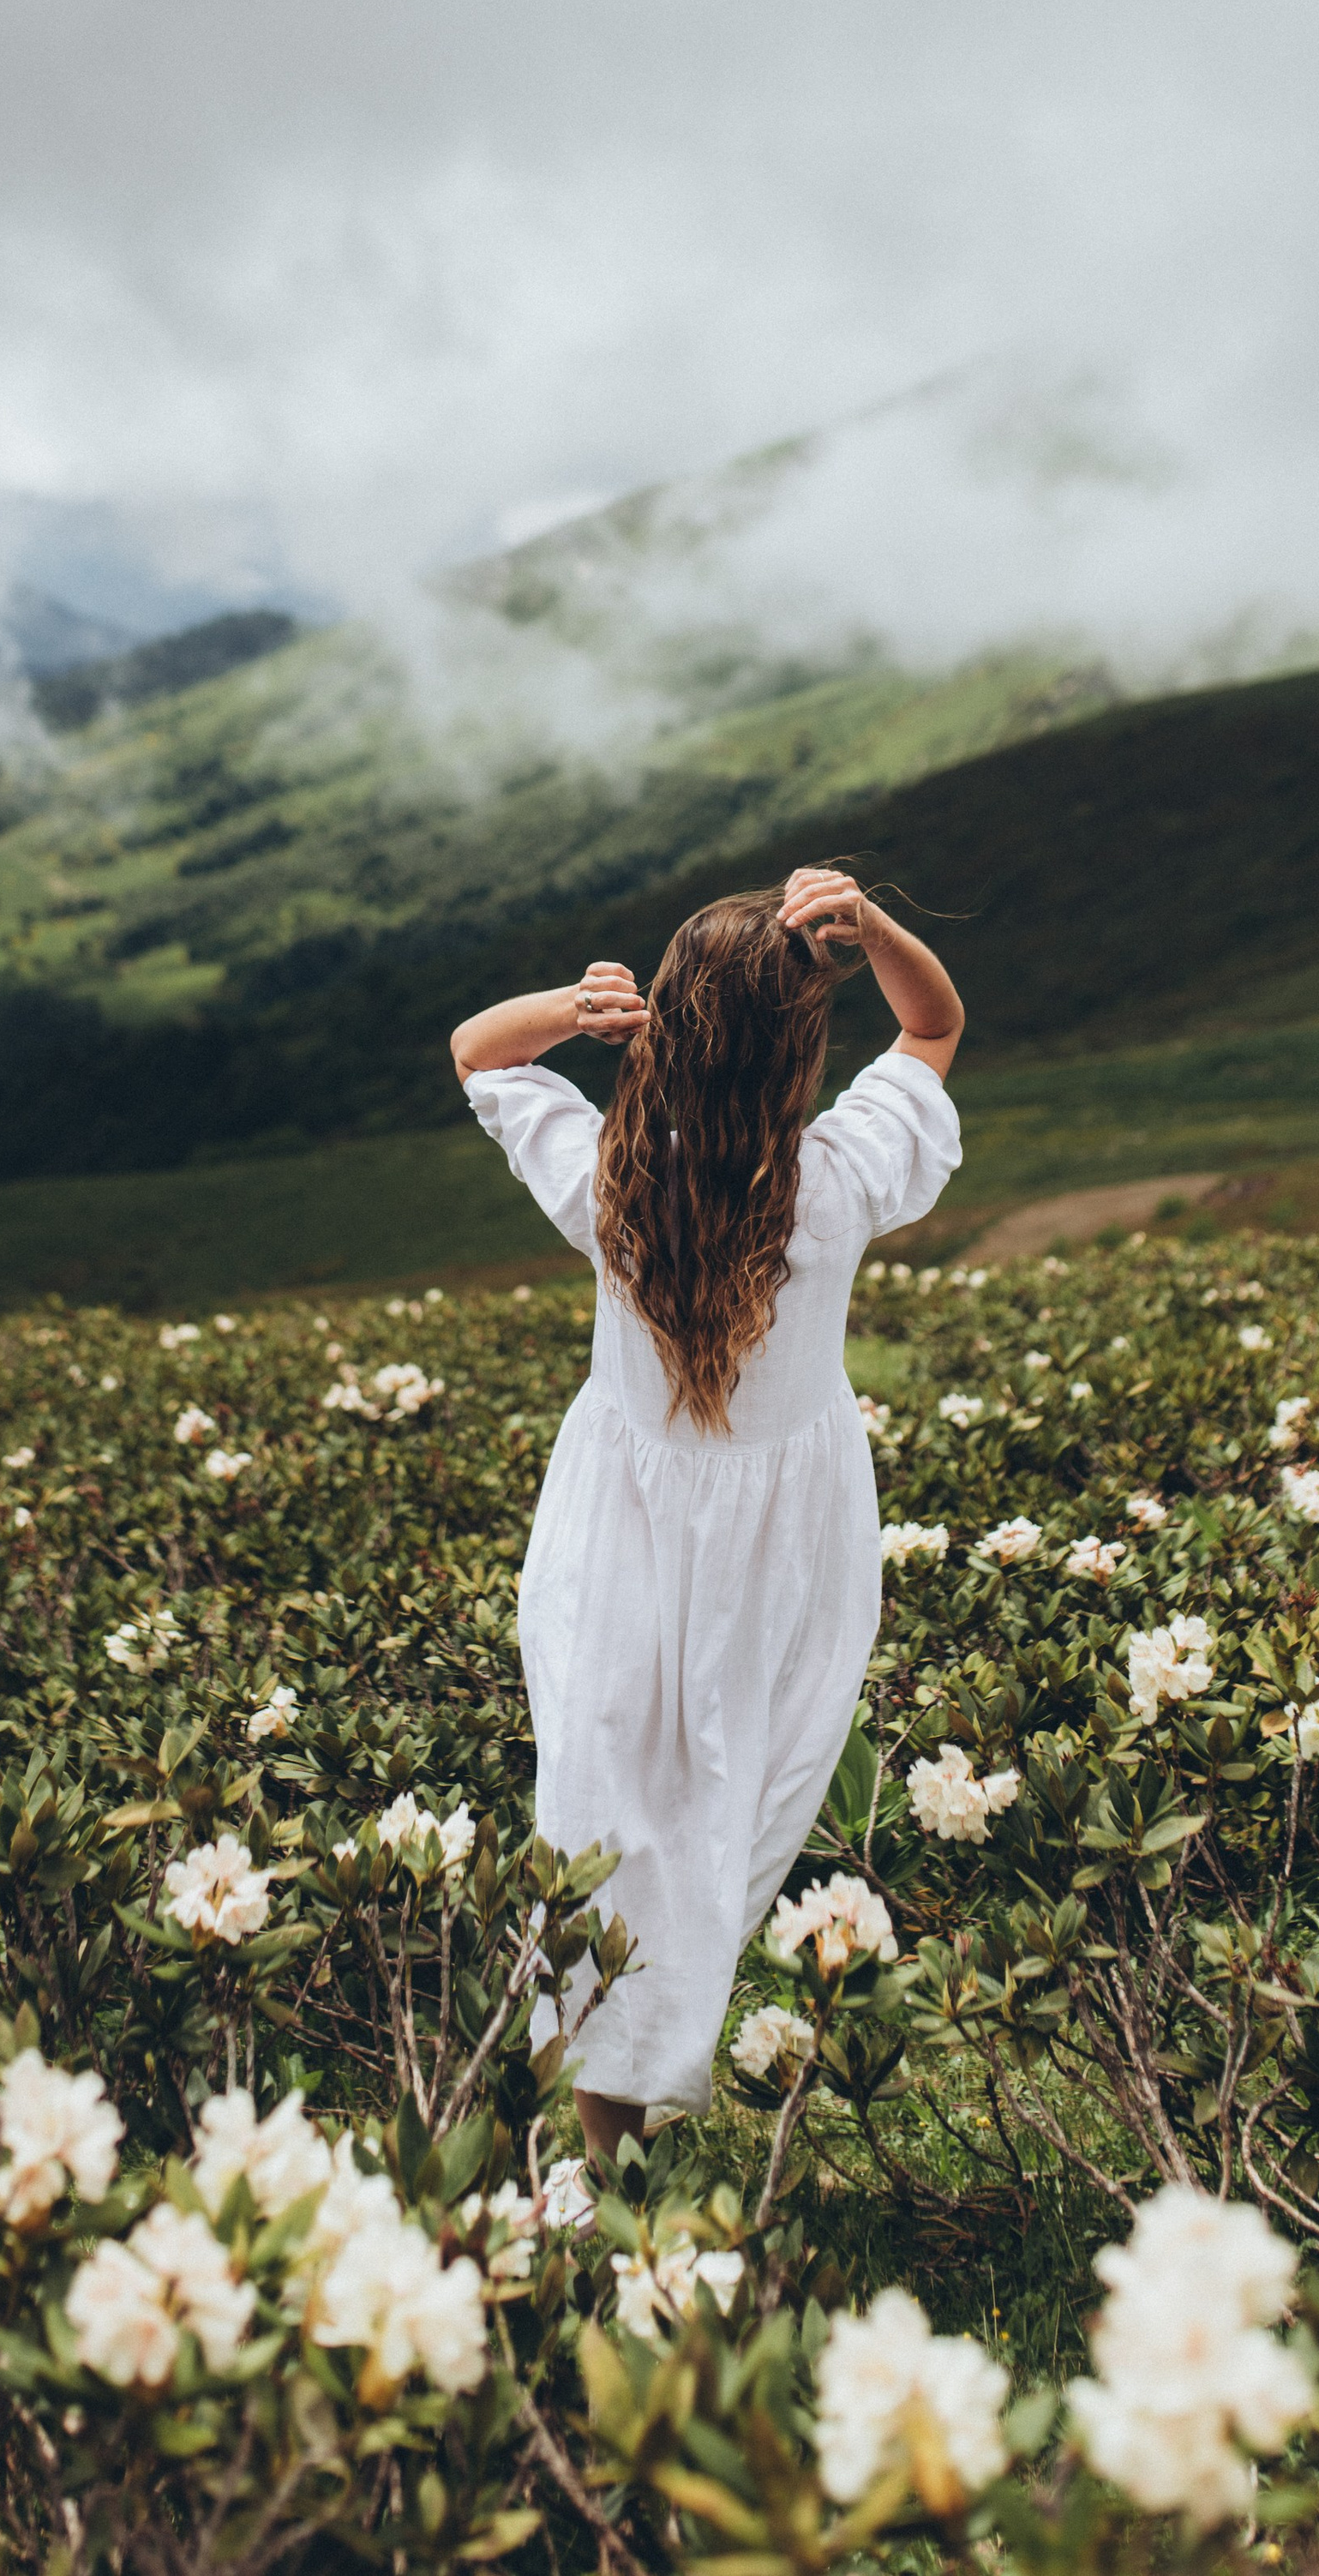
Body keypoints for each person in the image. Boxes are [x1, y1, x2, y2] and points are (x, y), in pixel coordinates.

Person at [449, 865, 964, 2165]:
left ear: (664, 1029)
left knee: (605, 1801)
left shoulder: (608, 1177)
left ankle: (601, 2121)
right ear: (804, 1052)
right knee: (731, 1796)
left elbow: (474, 1052)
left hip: (619, 1534)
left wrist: (573, 1012)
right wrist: (880, 930)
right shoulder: (838, 1183)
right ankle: (675, 2015)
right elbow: (937, 1028)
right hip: (784, 1544)